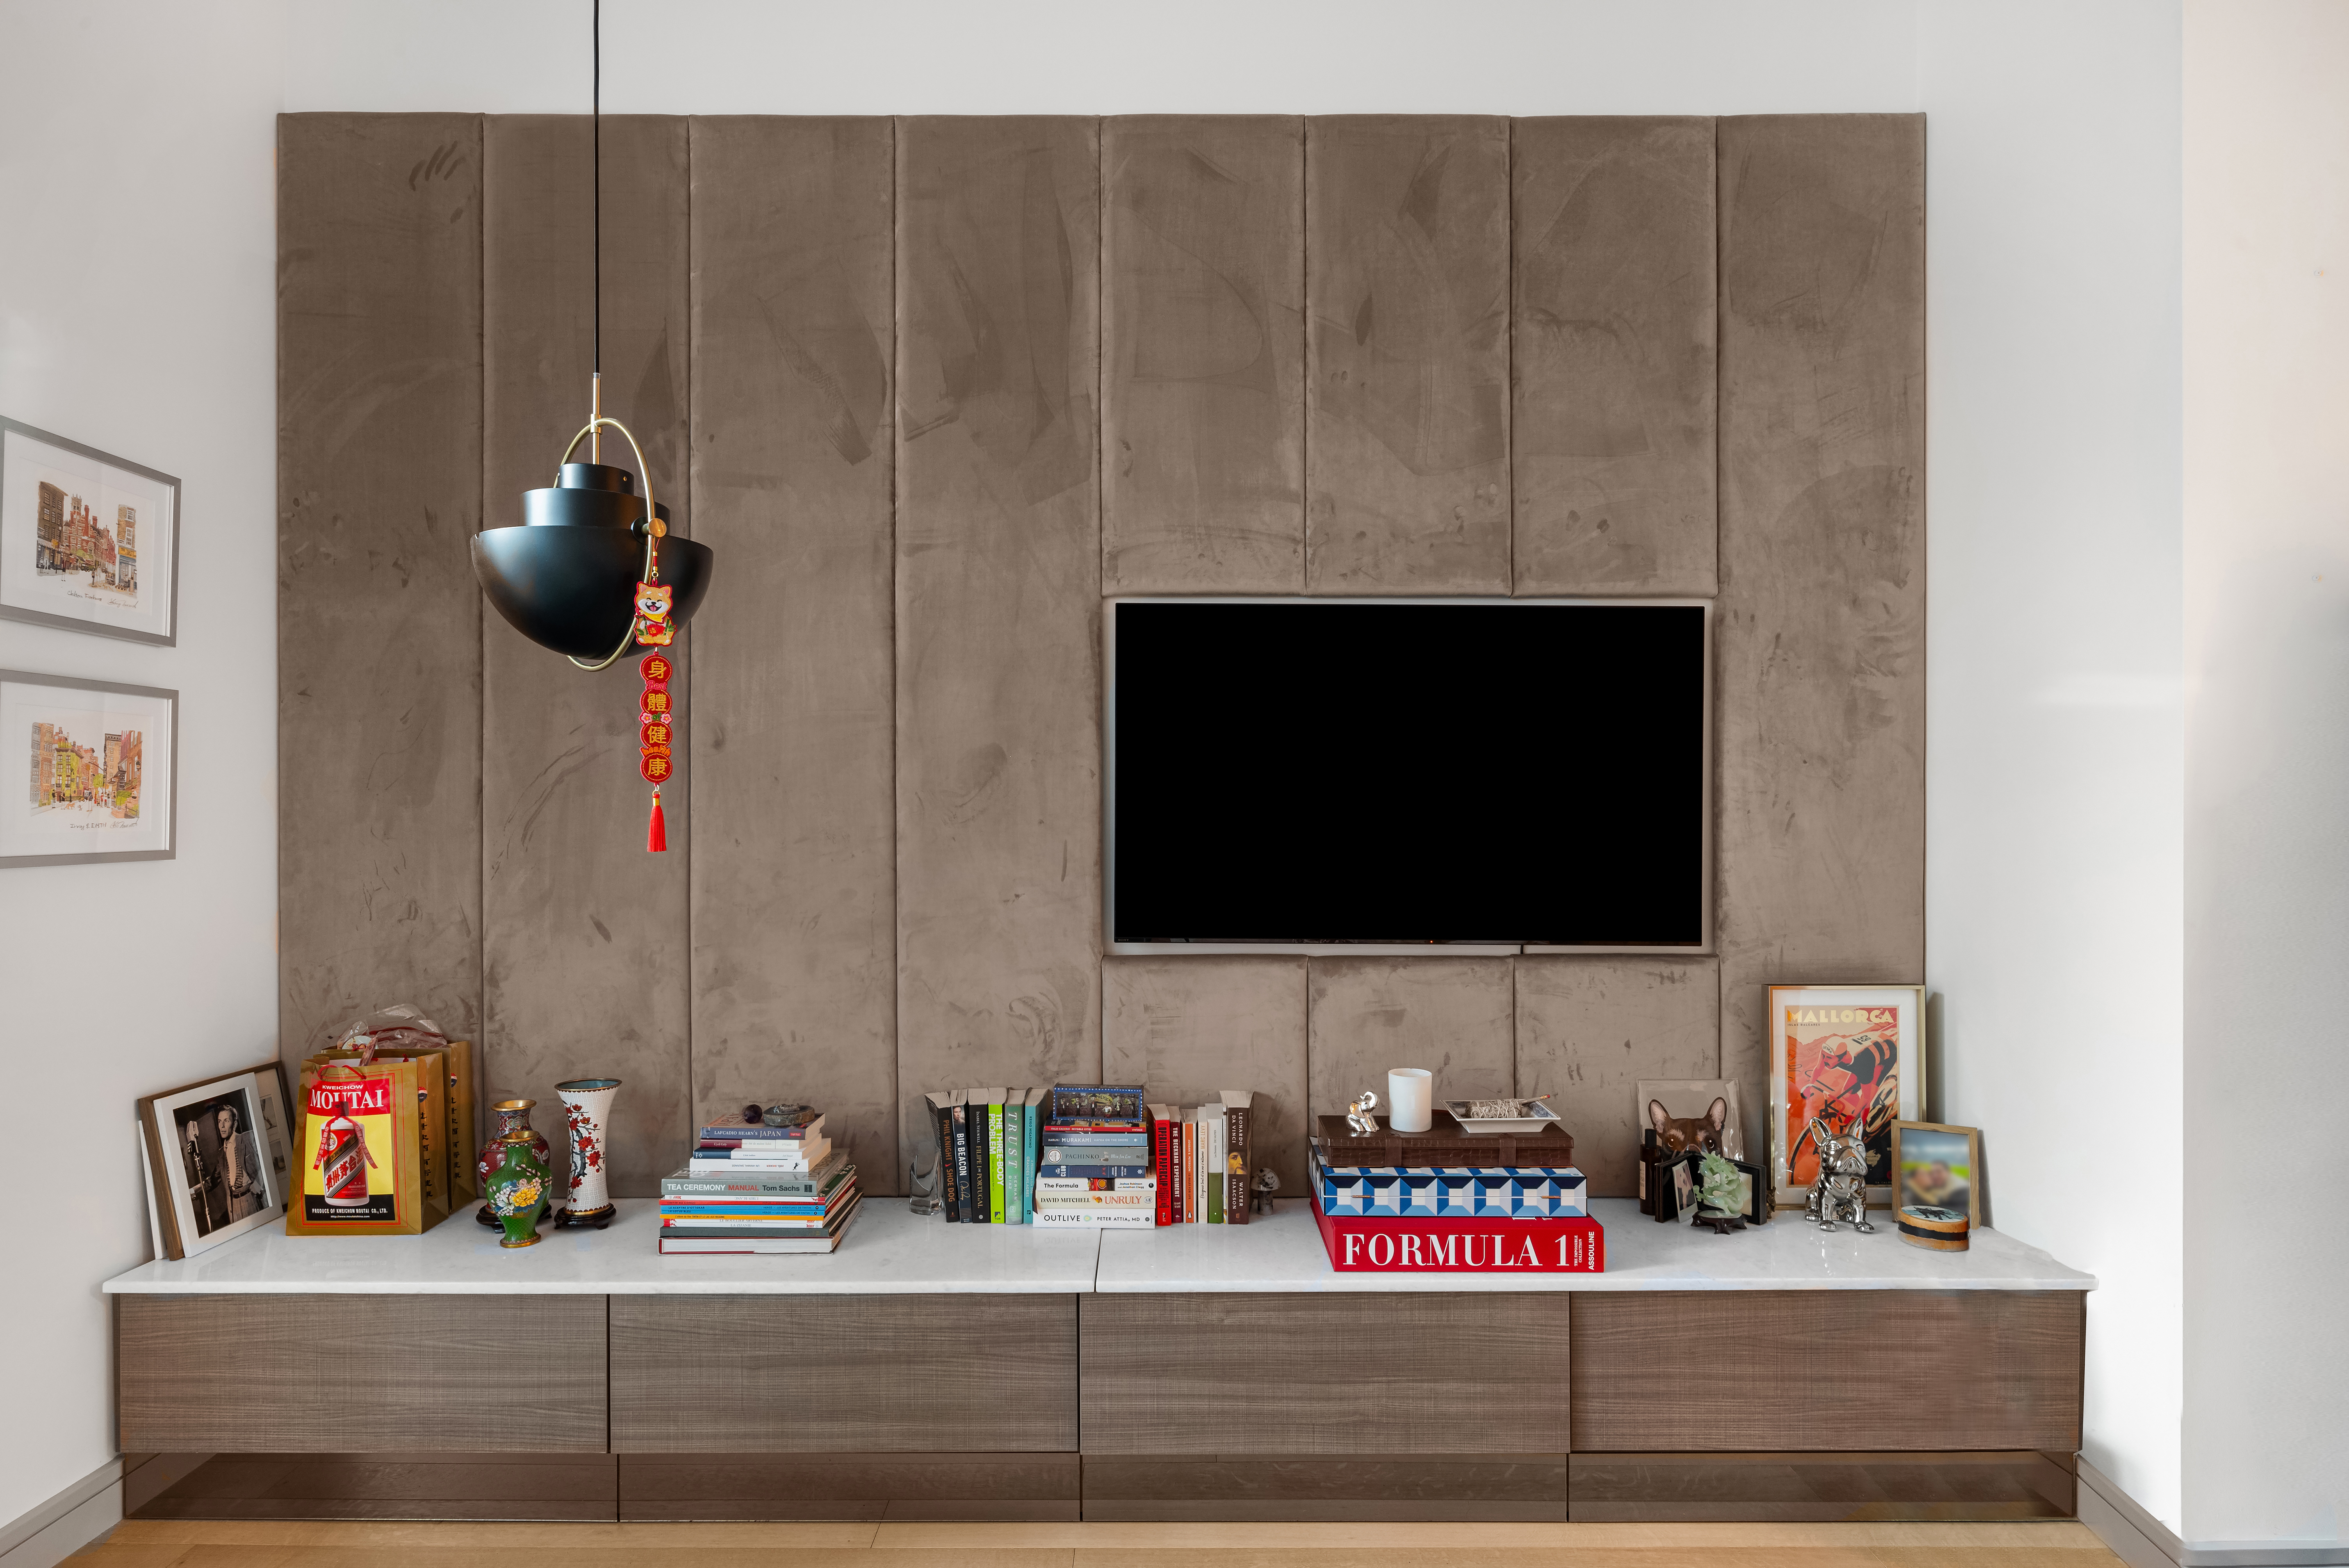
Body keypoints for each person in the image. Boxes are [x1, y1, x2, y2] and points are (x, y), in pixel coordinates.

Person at [216, 1100, 265, 1222]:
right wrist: (192, 1191)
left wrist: (258, 1183)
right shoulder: (221, 1153)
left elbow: (266, 1161)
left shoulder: (248, 1138)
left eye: (226, 1121)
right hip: (234, 1205)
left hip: (251, 1197)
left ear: (235, 1124)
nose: (222, 1126)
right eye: (220, 1122)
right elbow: (213, 1179)